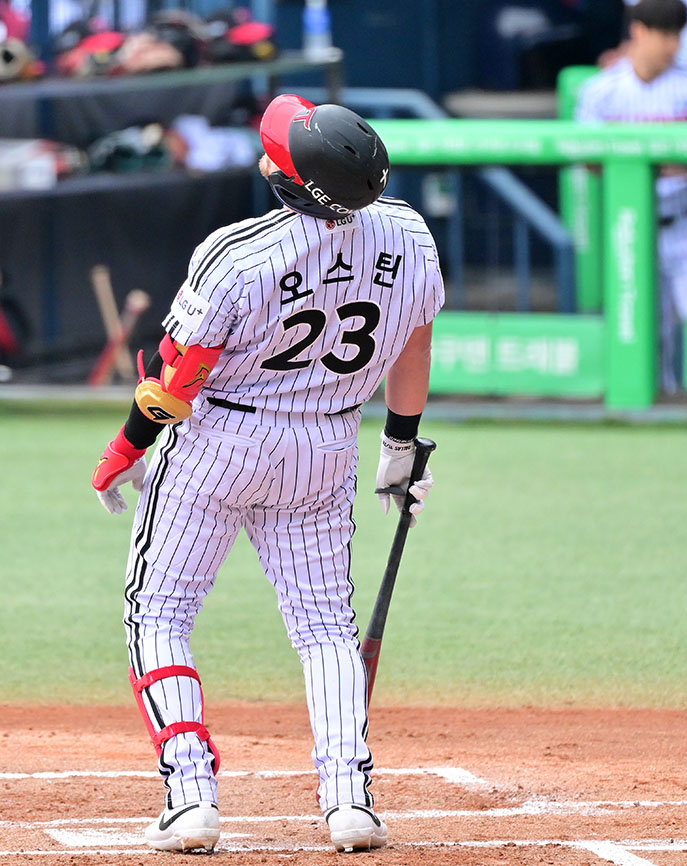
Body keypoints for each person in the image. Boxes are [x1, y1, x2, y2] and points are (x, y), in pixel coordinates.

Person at [89, 94, 442, 853]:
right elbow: (414, 349)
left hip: (220, 444)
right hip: (326, 446)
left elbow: (174, 383)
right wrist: (403, 445)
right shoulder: (410, 234)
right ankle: (350, 800)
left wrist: (124, 451)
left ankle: (190, 796)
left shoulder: (237, 252)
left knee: (159, 613)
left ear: (284, 181)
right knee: (324, 627)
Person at [577, 0, 687, 392]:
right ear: (638, 31)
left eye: (677, 34)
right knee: (643, 348)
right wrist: (667, 161)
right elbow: (587, 159)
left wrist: (639, 163)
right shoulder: (601, 89)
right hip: (631, 233)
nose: (673, 44)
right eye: (664, 34)